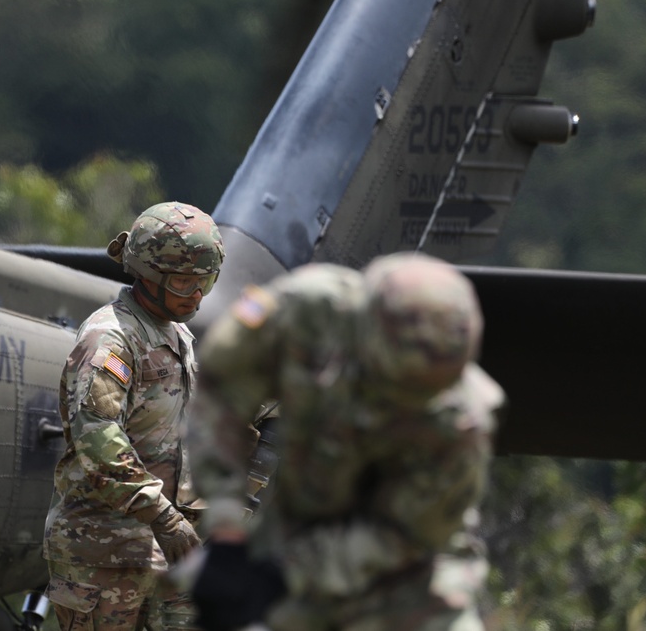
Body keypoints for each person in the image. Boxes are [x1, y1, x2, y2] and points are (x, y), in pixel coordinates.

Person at [185, 253, 504, 631]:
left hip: (410, 575)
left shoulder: (464, 423)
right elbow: (222, 389)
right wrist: (225, 525)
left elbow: (403, 537)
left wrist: (282, 574)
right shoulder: (305, 311)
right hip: (293, 530)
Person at [44, 201, 225, 631]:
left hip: (169, 554)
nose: (196, 296)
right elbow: (100, 444)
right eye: (184, 283)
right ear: (149, 276)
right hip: (105, 556)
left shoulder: (177, 334)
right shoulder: (112, 339)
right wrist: (165, 517)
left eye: (206, 283)